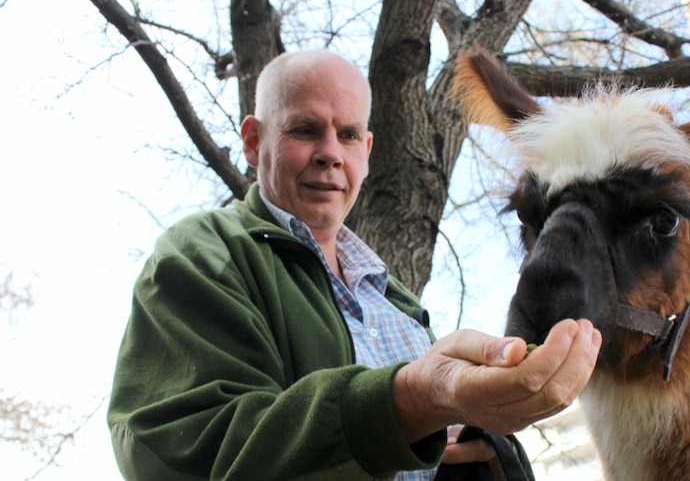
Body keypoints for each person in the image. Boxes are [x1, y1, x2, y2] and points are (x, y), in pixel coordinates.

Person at [107, 48, 602, 481]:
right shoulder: (203, 252)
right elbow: (177, 453)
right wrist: (407, 404)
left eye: (347, 135)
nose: (329, 154)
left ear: (366, 151)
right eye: (305, 129)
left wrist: (485, 445)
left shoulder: (398, 301)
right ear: (255, 142)